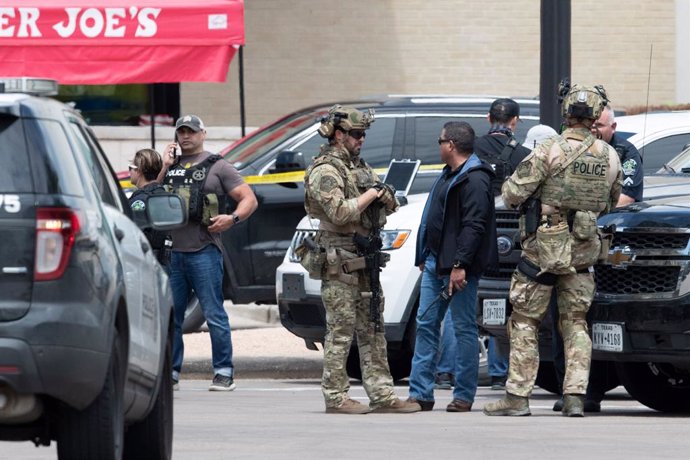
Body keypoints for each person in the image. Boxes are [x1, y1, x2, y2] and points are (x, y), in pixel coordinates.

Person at [483, 83, 622, 417]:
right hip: (585, 250)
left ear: (566, 113)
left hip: (542, 251)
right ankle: (575, 397)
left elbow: (514, 193)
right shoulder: (609, 155)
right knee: (575, 323)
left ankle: (517, 397)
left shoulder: (549, 148)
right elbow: (611, 202)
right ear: (594, 116)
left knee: (525, 321)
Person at [302, 105, 420, 414]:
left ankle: (382, 394)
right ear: (339, 135)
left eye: (364, 134)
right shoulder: (325, 169)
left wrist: (383, 194)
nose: (362, 140)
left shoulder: (359, 167)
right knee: (340, 331)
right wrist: (371, 195)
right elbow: (339, 212)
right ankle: (336, 396)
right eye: (356, 134)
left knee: (373, 328)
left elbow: (388, 202)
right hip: (339, 259)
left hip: (365, 257)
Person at [551, 103, 644, 412]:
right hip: (569, 247)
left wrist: (583, 204)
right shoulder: (572, 150)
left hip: (609, 251)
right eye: (591, 125)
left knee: (590, 321)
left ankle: (590, 392)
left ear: (612, 128)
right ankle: (569, 391)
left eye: (600, 126)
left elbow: (627, 197)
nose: (594, 130)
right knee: (563, 321)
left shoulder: (625, 153)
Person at [162, 114, 258, 391]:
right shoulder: (169, 165)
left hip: (203, 250)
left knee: (214, 313)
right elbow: (150, 194)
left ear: (203, 133)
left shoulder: (219, 167)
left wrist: (232, 219)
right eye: (181, 131)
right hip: (172, 253)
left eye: (191, 131)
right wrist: (164, 166)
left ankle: (224, 372)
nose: (186, 136)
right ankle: (171, 372)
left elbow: (248, 198)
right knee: (172, 317)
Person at [407, 121, 498, 413]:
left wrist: (460, 265)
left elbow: (474, 226)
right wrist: (423, 256)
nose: (438, 145)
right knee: (426, 325)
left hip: (458, 268)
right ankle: (420, 394)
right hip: (435, 263)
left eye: (440, 141)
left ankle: (463, 395)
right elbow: (432, 218)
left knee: (463, 329)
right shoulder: (448, 174)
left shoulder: (475, 178)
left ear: (452, 146)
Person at [474, 98, 533, 390]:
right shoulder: (524, 154)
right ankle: (503, 374)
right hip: (514, 242)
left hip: (476, 239)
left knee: (466, 308)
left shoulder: (470, 150)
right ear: (515, 121)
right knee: (513, 307)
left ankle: (446, 373)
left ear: (488, 118)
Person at [474, 98, 533, 196]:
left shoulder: (469, 147)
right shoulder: (526, 154)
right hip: (507, 210)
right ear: (514, 120)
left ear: (488, 117)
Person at [128, 148, 173, 268]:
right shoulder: (164, 195)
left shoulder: (139, 200)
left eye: (131, 168)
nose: (129, 172)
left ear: (139, 171)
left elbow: (133, 234)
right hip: (165, 261)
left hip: (144, 263)